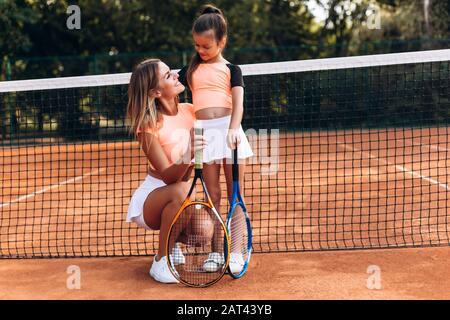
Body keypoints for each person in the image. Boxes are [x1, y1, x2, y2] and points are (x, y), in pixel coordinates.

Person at [178, 5, 253, 274]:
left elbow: (238, 104)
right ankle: (214, 252)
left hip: (230, 132)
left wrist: (234, 127)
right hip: (204, 135)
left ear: (222, 41)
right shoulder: (191, 70)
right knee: (213, 196)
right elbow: (164, 88)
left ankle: (236, 250)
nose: (201, 50)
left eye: (207, 46)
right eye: (197, 45)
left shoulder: (233, 69)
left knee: (236, 195)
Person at [126, 58, 208, 284]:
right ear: (155, 92)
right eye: (167, 76)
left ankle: (172, 246)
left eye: (172, 72)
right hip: (153, 198)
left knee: (203, 232)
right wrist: (190, 150)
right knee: (181, 191)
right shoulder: (148, 125)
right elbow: (170, 177)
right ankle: (161, 260)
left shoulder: (191, 111)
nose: (175, 75)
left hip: (182, 191)